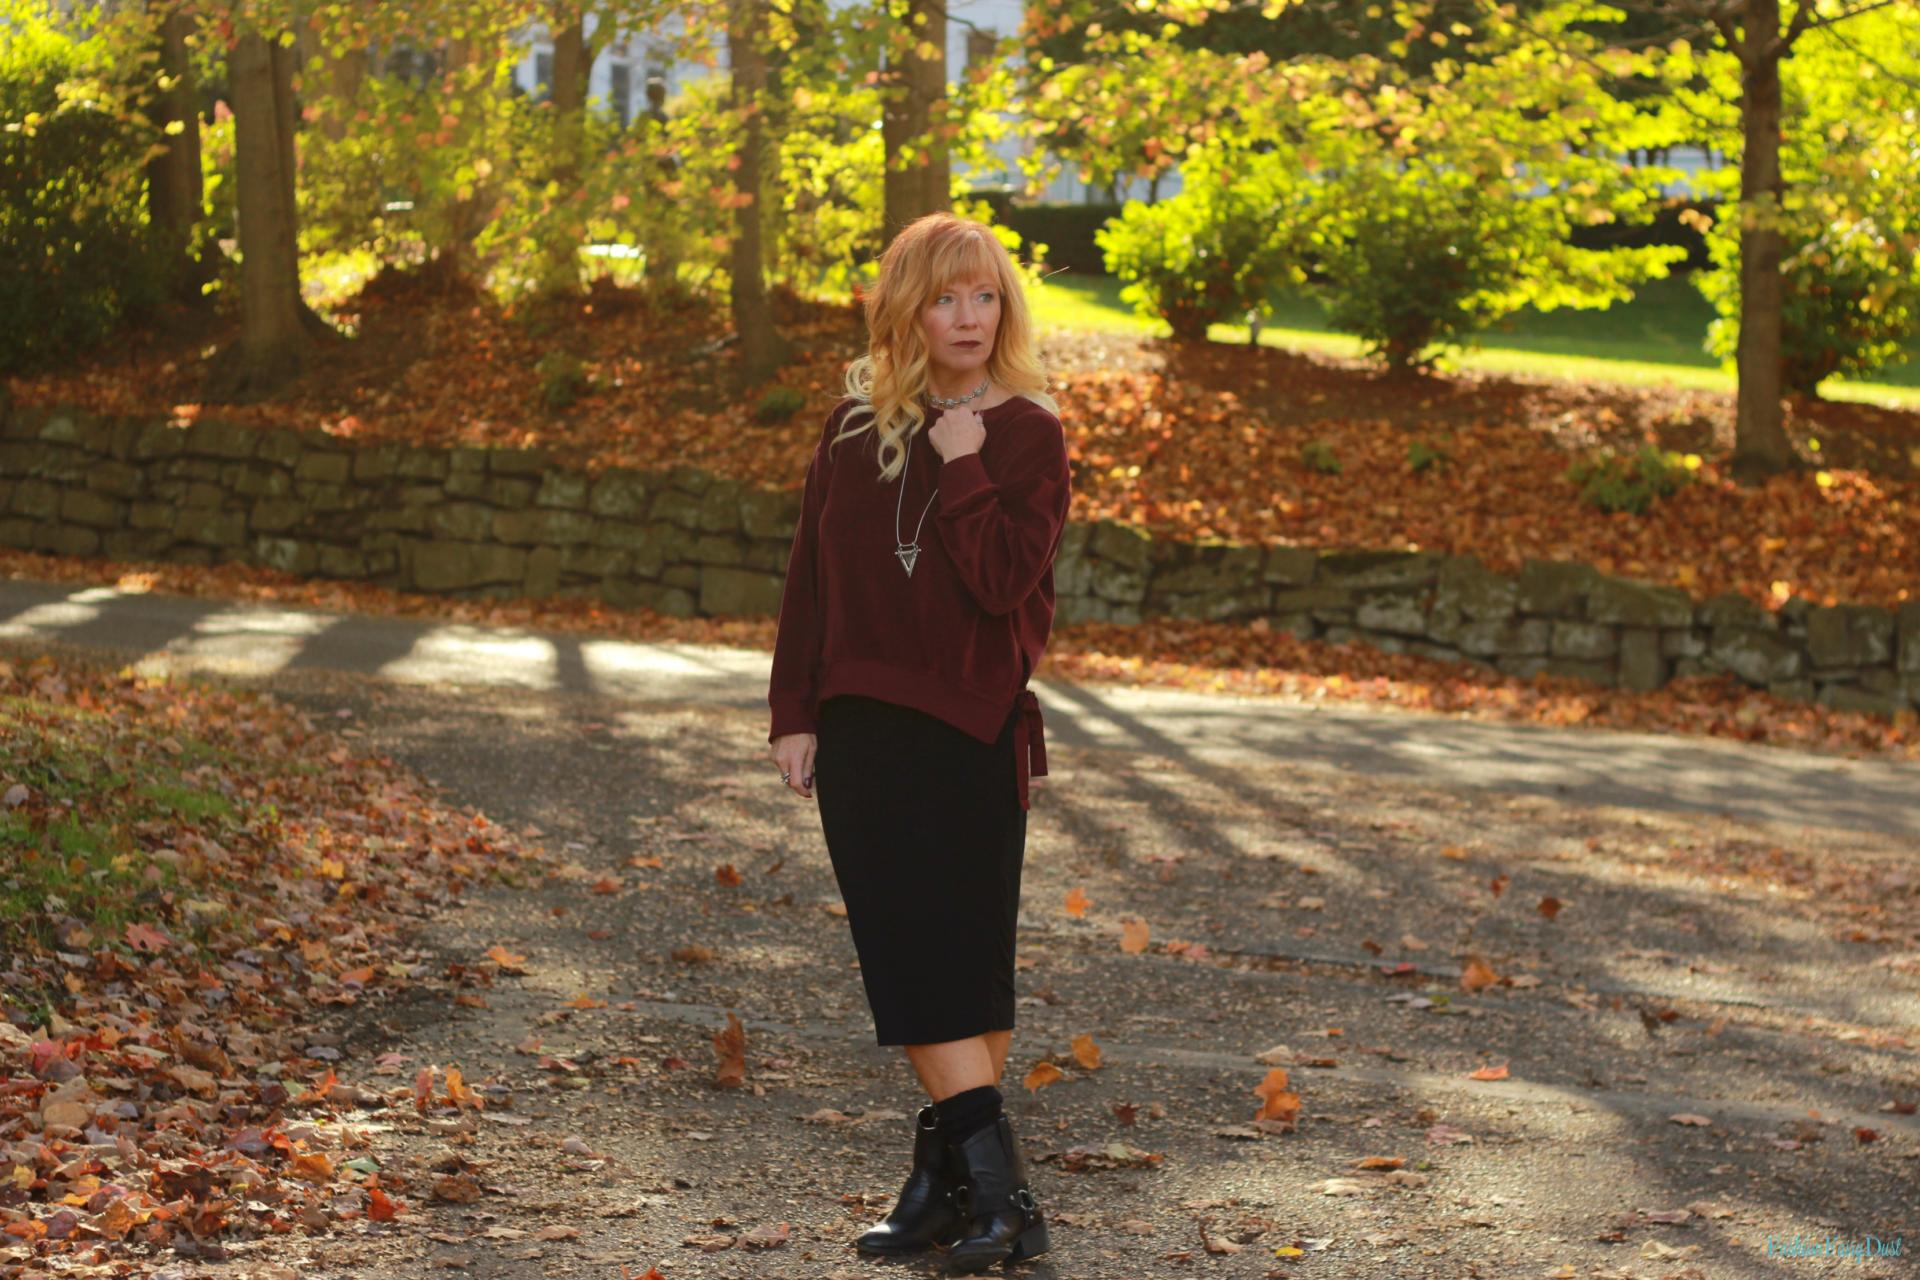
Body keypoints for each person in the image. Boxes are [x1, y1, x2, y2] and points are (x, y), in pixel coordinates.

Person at [766, 211, 1071, 1273]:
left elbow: (1001, 582)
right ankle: (978, 1193)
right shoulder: (850, 429)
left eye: (984, 295)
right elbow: (812, 579)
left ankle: (970, 1189)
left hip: (973, 727)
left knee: (963, 971)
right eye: (945, 296)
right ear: (907, 307)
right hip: (861, 728)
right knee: (908, 962)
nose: (968, 316)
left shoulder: (1029, 431)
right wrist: (793, 710)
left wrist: (964, 460)